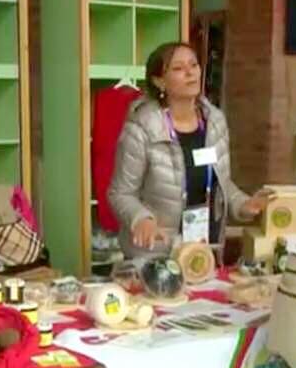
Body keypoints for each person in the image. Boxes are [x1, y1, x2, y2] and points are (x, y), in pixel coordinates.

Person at [108, 42, 271, 258]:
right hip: (157, 254)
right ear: (159, 81)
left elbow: (221, 182)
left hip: (204, 251)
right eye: (178, 68)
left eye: (193, 65)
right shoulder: (142, 127)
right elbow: (120, 193)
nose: (190, 72)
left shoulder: (215, 121)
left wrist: (243, 204)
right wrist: (141, 218)